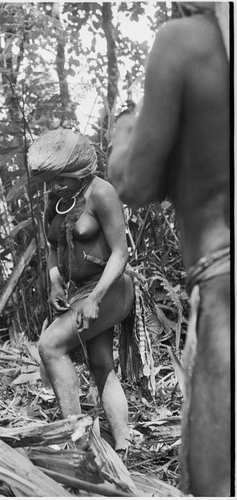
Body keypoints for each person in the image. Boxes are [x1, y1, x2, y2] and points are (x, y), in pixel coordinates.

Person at [108, 2, 230, 496]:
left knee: (215, 484)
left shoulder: (184, 41)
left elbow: (135, 182)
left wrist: (124, 135)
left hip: (223, 281)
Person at [28, 128, 134, 456]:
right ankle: (124, 444)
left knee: (50, 346)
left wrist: (94, 300)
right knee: (102, 365)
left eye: (62, 180)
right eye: (52, 181)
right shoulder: (55, 201)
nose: (55, 187)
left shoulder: (101, 193)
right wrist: (56, 282)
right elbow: (52, 247)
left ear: (82, 173)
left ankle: (75, 437)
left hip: (111, 288)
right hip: (79, 291)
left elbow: (120, 252)